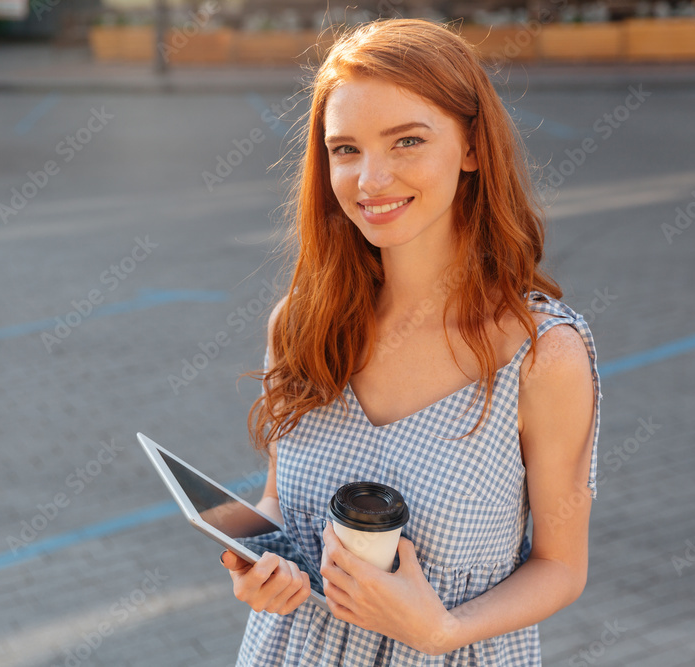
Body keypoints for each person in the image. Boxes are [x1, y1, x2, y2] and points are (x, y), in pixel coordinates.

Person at [219, 18, 602, 666]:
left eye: (406, 141)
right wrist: (261, 564)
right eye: (345, 150)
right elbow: (280, 498)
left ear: (473, 146)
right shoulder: (301, 323)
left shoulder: (542, 355)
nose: (371, 179)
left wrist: (443, 628)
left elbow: (561, 566)